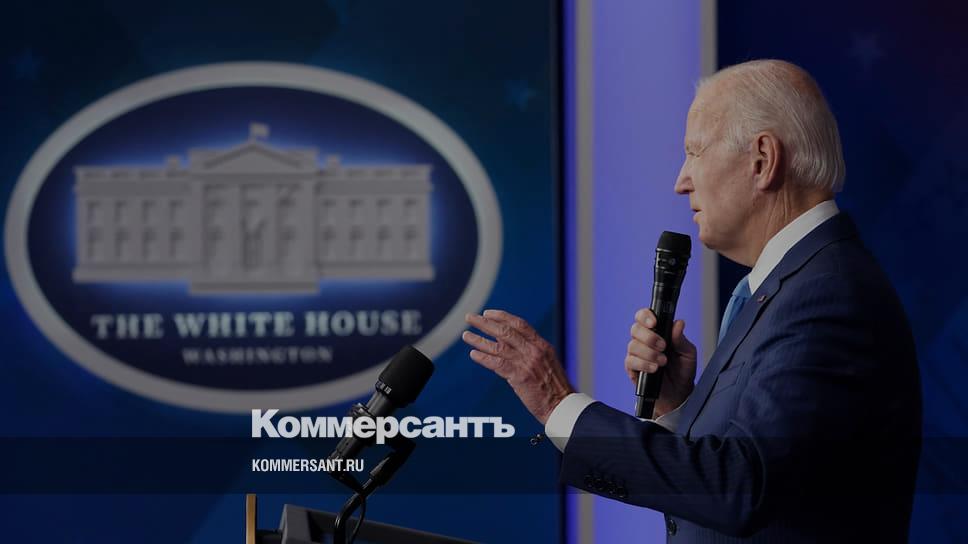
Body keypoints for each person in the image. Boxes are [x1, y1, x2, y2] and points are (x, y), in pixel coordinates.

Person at [462, 59, 921, 543]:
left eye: (694, 151)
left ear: (762, 160)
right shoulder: (792, 287)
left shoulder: (826, 294)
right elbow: (753, 479)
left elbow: (741, 488)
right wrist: (680, 407)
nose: (681, 181)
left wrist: (558, 402)